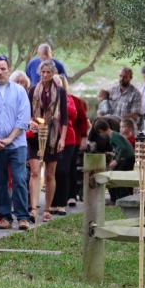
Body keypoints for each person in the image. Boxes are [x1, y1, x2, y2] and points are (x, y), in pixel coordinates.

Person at [0, 55, 31, 231]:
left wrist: (10, 138)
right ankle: (4, 216)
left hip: (17, 144)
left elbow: (24, 117)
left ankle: (23, 217)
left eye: (3, 68)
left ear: (8, 69)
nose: (0, 72)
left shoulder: (19, 91)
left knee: (19, 179)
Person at [27, 62, 67, 223]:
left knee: (50, 174)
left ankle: (47, 209)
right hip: (35, 135)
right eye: (42, 72)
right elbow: (28, 113)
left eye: (48, 72)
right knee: (35, 171)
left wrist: (62, 138)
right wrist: (32, 123)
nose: (45, 75)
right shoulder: (32, 90)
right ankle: (34, 208)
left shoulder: (60, 91)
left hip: (53, 134)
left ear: (53, 73)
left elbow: (64, 117)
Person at [51, 76, 88, 216]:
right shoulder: (43, 98)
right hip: (50, 139)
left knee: (63, 170)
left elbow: (73, 114)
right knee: (52, 171)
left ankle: (61, 203)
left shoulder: (69, 99)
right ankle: (52, 203)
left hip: (68, 139)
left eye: (58, 84)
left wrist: (59, 102)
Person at [92, 118, 135, 202]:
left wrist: (116, 161)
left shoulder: (113, 136)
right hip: (128, 157)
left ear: (101, 131)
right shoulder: (114, 135)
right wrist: (114, 156)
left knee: (117, 178)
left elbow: (123, 148)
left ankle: (122, 198)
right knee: (122, 177)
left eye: (99, 133)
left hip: (127, 158)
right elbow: (119, 149)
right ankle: (122, 198)